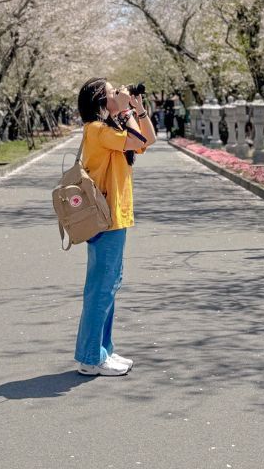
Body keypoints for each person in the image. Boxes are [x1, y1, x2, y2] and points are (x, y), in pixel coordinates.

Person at [74, 78, 156, 377]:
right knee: (102, 288)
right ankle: (90, 358)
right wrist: (124, 111)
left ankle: (102, 350)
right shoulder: (97, 130)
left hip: (115, 216)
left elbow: (148, 139)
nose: (118, 95)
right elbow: (135, 141)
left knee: (109, 285)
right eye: (112, 93)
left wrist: (138, 109)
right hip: (105, 218)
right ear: (99, 100)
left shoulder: (110, 129)